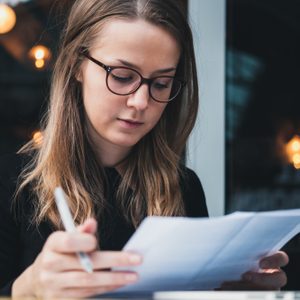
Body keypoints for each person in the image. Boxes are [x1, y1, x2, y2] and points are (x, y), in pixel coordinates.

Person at [0, 0, 289, 298]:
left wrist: (231, 291)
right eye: (122, 77)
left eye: (162, 83)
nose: (141, 102)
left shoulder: (183, 188)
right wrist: (28, 289)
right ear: (76, 65)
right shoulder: (11, 183)